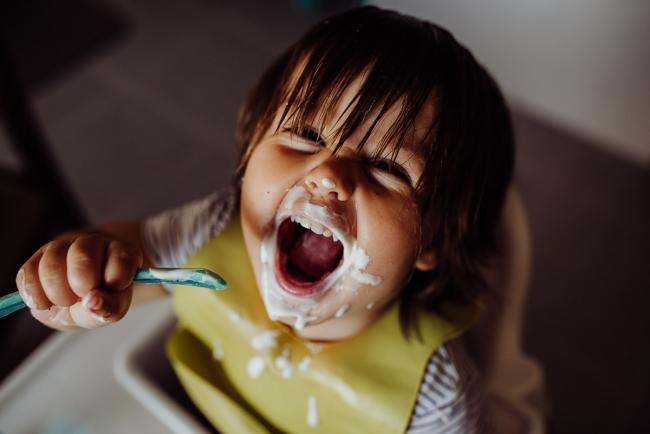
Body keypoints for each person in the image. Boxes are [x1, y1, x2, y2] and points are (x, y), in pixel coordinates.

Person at [15, 6, 545, 433]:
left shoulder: (436, 403)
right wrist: (82, 265)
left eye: (386, 167)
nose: (327, 174)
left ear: (431, 240)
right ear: (249, 152)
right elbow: (127, 255)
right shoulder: (212, 226)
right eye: (306, 136)